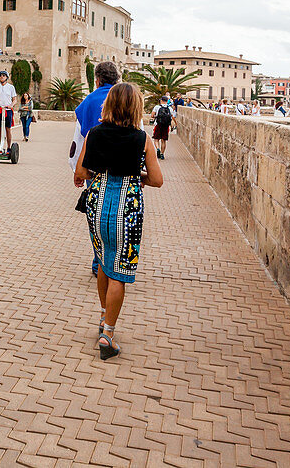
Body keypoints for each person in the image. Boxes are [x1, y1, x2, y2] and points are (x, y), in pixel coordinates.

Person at [75, 82, 164, 360]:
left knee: (103, 260)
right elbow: (158, 180)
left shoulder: (94, 134)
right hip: (128, 207)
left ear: (109, 104)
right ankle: (108, 334)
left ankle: (103, 316)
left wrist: (98, 174)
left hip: (98, 205)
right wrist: (138, 179)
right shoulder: (142, 139)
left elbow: (81, 172)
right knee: (119, 271)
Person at [69, 62, 120, 276]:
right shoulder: (125, 99)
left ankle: (98, 261)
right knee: (117, 214)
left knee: (97, 214)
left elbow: (78, 141)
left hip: (95, 170)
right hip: (123, 169)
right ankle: (115, 261)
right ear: (117, 80)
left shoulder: (88, 102)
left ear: (97, 80)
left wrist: (77, 170)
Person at [0, 70, 16, 152]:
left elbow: (14, 99)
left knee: (8, 129)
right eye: (0, 75)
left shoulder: (11, 87)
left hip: (8, 110)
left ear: (7, 77)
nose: (2, 76)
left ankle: (9, 147)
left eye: (3, 75)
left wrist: (11, 105)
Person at [150, 94, 176, 160]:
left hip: (158, 125)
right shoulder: (170, 108)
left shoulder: (157, 107)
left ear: (161, 100)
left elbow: (152, 115)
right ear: (167, 101)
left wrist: (156, 116)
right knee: (163, 141)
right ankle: (162, 154)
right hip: (166, 126)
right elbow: (172, 116)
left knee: (156, 139)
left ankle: (158, 149)